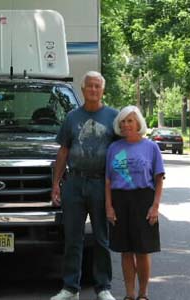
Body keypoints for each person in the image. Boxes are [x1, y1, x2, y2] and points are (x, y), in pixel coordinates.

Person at [51, 71, 118, 300]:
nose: (93, 90)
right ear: (83, 89)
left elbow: (122, 152)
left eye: (97, 86)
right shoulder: (72, 117)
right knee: (73, 238)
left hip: (102, 183)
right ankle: (70, 288)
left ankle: (103, 287)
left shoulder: (114, 117)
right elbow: (63, 151)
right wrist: (56, 184)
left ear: (103, 90)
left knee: (101, 238)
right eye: (89, 86)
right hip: (74, 182)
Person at [105, 105, 165, 300]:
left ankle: (143, 293)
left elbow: (158, 179)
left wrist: (155, 206)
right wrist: (109, 206)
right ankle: (129, 294)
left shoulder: (151, 147)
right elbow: (108, 180)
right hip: (120, 200)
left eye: (130, 120)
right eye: (122, 121)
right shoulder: (114, 148)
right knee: (126, 251)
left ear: (138, 122)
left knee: (142, 250)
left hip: (143, 200)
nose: (126, 125)